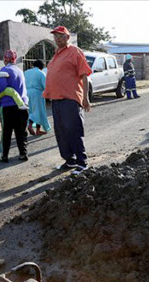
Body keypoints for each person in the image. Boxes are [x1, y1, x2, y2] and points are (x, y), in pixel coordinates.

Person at [42, 26, 92, 175]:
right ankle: (70, 160)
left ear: (67, 37)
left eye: (61, 36)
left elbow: (84, 76)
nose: (57, 38)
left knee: (74, 131)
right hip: (56, 100)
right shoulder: (56, 54)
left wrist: (85, 97)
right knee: (61, 133)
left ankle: (82, 163)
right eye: (55, 36)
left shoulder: (75, 52)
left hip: (70, 99)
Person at [0, 50, 29, 163]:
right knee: (21, 132)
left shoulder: (4, 70)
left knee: (6, 132)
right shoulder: (19, 71)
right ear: (14, 59)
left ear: (5, 59)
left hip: (8, 106)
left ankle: (4, 156)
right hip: (22, 105)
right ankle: (23, 154)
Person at [24, 60, 49, 135]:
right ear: (41, 66)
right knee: (39, 111)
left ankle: (38, 130)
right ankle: (30, 125)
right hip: (37, 93)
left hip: (27, 93)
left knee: (31, 110)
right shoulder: (41, 73)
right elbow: (46, 85)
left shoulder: (26, 72)